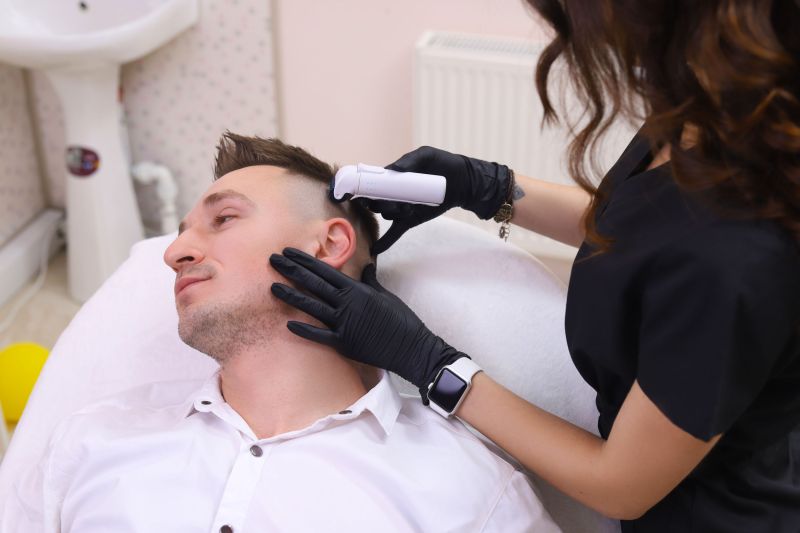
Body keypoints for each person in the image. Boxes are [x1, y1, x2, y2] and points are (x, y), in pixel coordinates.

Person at [268, 1, 800, 531]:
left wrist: (431, 365)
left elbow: (620, 486)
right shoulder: (706, 114)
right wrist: (487, 187)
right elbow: (643, 233)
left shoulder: (734, 259)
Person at [0, 133, 560, 533]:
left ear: (329, 245)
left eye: (224, 219)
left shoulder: (468, 495)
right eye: (180, 234)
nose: (173, 253)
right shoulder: (90, 442)